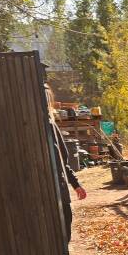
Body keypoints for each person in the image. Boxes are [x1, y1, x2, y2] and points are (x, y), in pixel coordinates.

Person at [44, 83, 86, 242]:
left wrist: (75, 184)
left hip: (59, 190)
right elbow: (61, 158)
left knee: (62, 236)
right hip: (55, 194)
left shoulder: (50, 124)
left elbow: (62, 160)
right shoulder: (47, 125)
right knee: (60, 237)